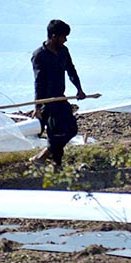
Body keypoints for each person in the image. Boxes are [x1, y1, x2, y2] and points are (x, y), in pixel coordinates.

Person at [30, 19, 87, 168]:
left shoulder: (63, 51)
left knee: (71, 129)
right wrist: (37, 107)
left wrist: (79, 89)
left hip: (60, 98)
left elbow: (71, 70)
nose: (65, 40)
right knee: (56, 134)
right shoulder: (39, 56)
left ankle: (42, 157)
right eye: (63, 36)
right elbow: (39, 82)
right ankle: (55, 165)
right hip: (48, 102)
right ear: (54, 36)